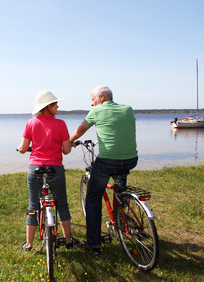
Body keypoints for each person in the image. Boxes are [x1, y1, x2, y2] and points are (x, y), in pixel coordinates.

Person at [70, 86, 138, 255]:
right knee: (120, 190)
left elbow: (80, 131)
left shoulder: (97, 111)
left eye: (93, 100)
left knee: (92, 198)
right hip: (131, 159)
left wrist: (68, 142)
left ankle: (94, 243)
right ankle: (123, 217)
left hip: (107, 161)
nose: (92, 104)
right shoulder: (128, 109)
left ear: (101, 97)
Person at [17, 90, 78, 251]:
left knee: (33, 206)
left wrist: (20, 148)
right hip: (55, 169)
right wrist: (65, 145)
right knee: (62, 205)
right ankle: (69, 241)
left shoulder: (30, 123)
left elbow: (23, 149)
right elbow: (66, 150)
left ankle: (29, 244)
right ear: (48, 106)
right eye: (55, 104)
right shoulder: (61, 124)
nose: (57, 106)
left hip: (35, 169)